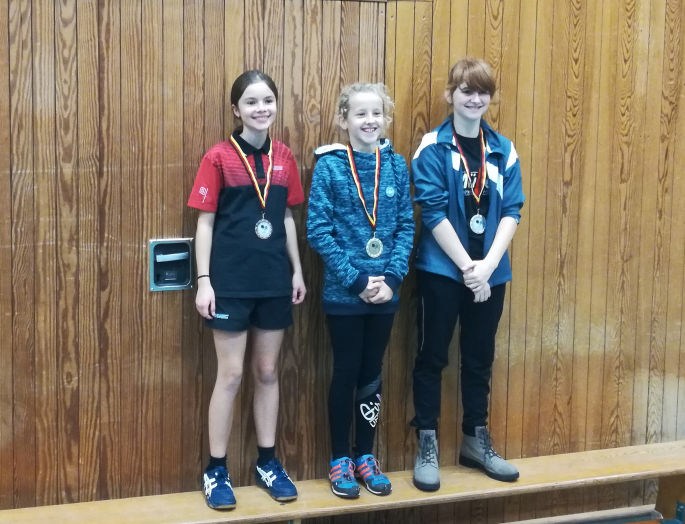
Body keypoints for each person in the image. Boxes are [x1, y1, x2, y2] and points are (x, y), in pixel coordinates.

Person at [187, 70, 306, 510]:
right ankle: (216, 470)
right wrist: (204, 281)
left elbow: (287, 217)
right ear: (236, 109)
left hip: (274, 281)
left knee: (268, 372)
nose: (261, 109)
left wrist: (296, 271)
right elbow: (204, 223)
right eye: (251, 102)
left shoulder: (284, 157)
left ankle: (268, 463)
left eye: (268, 100)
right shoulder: (218, 157)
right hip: (230, 284)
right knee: (232, 375)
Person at [410, 58, 524, 491]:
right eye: (466, 91)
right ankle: (427, 443)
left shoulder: (504, 148)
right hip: (442, 271)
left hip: (491, 273)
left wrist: (487, 267)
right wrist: (466, 267)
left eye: (482, 92)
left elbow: (512, 211)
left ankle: (476, 440)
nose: (475, 99)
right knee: (432, 357)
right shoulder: (432, 146)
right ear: (450, 95)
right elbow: (433, 211)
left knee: (479, 358)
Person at [307, 83, 414, 499]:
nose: (370, 121)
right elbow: (318, 230)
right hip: (344, 295)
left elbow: (406, 226)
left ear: (386, 118)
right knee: (346, 372)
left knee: (372, 373)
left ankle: (366, 455)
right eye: (360, 114)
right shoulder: (330, 167)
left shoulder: (397, 166)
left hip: (386, 294)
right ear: (343, 120)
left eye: (377, 113)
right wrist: (356, 281)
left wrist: (392, 280)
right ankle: (340, 459)